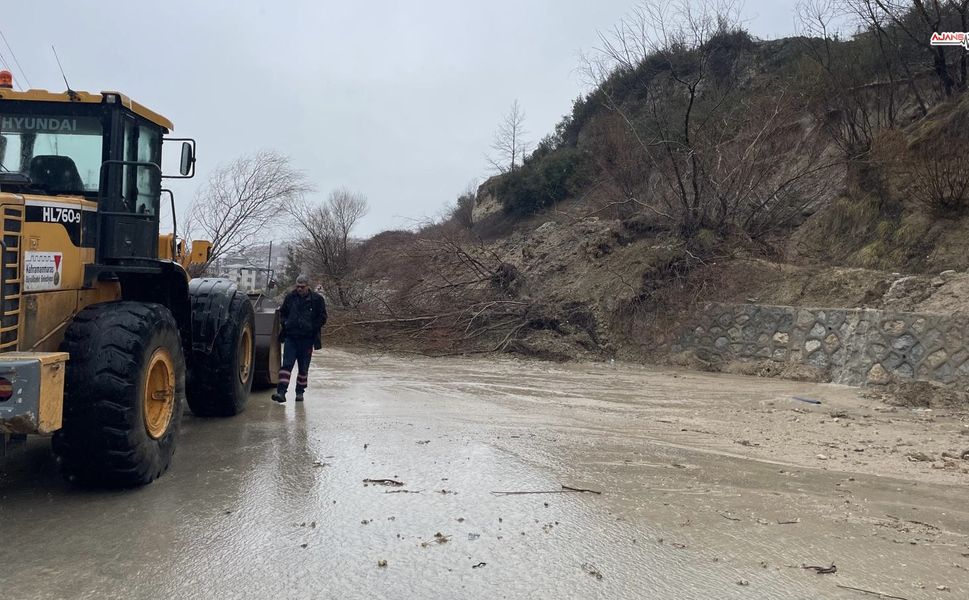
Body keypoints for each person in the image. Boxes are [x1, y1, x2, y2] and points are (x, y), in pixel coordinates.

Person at [272, 275, 327, 403]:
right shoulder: (290, 297)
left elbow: (323, 317)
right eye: (297, 286)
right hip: (291, 337)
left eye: (302, 287)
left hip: (307, 339)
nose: (299, 289)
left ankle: (300, 392)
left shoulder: (317, 300)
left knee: (303, 368)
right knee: (286, 365)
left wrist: (313, 327)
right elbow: (283, 313)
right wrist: (285, 323)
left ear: (308, 286)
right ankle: (281, 392)